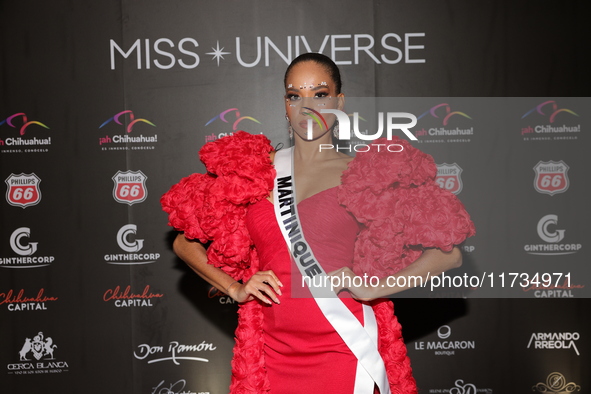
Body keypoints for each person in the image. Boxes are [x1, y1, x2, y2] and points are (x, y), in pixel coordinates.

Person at [161, 53, 475, 394]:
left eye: (320, 94)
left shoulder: (366, 173)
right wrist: (235, 288)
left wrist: (373, 288)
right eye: (295, 95)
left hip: (345, 347)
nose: (306, 106)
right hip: (273, 353)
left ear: (339, 101)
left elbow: (449, 254)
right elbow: (183, 241)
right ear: (285, 104)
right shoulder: (251, 171)